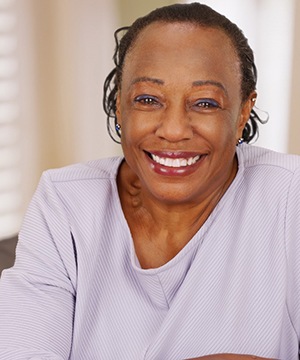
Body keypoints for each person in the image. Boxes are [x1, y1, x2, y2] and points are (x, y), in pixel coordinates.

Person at [0, 2, 299, 359]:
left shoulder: (288, 197)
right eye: (148, 99)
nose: (173, 130)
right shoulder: (64, 203)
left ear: (242, 113)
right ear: (120, 108)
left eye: (204, 103)